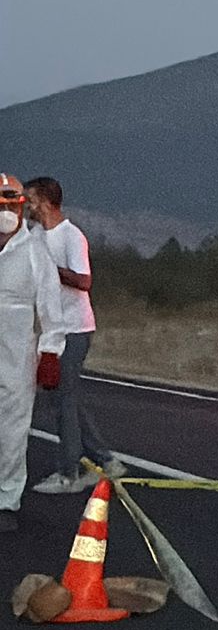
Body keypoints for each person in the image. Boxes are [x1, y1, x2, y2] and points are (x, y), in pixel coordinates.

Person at [26, 177, 121, 494]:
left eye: (31, 200)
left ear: (47, 202)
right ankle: (105, 459)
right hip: (52, 330)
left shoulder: (71, 236)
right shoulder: (36, 235)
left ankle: (69, 472)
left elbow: (84, 281)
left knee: (63, 401)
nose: (28, 206)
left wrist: (50, 270)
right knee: (66, 396)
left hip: (76, 328)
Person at [0, 173, 69, 532]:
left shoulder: (34, 252)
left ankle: (6, 500)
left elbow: (50, 308)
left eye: (12, 203)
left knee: (11, 431)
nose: (6, 211)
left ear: (21, 207)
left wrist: (50, 353)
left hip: (15, 358)